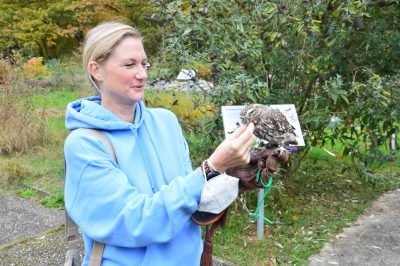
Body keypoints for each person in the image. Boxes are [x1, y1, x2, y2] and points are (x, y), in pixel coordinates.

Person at [64, 21, 257, 265]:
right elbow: (138, 222)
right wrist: (210, 168)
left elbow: (190, 201)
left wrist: (231, 175)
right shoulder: (84, 144)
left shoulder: (166, 121)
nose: (142, 74)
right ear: (96, 70)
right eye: (129, 64)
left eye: (144, 64)